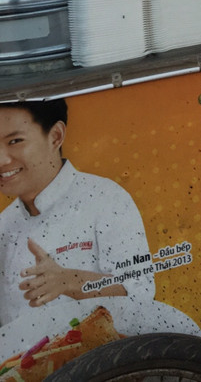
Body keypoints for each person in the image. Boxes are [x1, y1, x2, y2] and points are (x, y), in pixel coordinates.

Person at [0, 99, 155, 333]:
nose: (2, 160)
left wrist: (68, 280)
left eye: (15, 141)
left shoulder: (105, 197)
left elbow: (140, 294)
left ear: (55, 136)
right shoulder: (4, 225)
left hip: (112, 353)